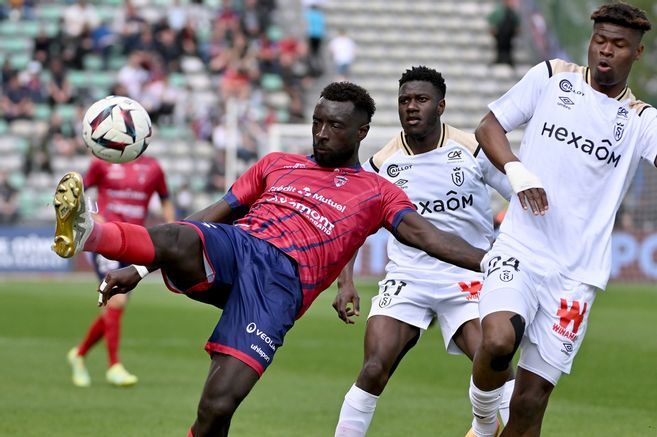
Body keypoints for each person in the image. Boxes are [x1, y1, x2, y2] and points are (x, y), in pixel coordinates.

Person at [52, 82, 486, 436]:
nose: (320, 133)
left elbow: (427, 237)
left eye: (333, 126)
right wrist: (140, 264)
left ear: (361, 132)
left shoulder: (377, 191)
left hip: (280, 287)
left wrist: (495, 263)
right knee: (183, 236)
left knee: (217, 407)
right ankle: (92, 232)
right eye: (317, 123)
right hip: (239, 247)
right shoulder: (277, 163)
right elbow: (210, 217)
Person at [467, 3, 655, 436]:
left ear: (637, 53)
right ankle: (480, 425)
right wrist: (516, 169)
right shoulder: (552, 77)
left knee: (530, 403)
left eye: (619, 45)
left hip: (576, 277)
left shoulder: (642, 120)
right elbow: (488, 128)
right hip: (520, 248)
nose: (605, 51)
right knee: (497, 339)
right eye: (600, 40)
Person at [333, 66, 515, 437]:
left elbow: (521, 197)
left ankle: (484, 427)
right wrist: (345, 281)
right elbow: (354, 224)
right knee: (373, 368)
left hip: (468, 275)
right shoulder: (383, 164)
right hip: (408, 277)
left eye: (421, 100)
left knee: (494, 359)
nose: (411, 107)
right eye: (404, 101)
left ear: (441, 106)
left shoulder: (471, 149)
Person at [66, 154, 175, 388]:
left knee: (115, 307)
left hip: (136, 242)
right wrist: (92, 216)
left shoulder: (154, 168)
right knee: (117, 302)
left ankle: (79, 354)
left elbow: (165, 199)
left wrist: (173, 229)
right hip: (107, 239)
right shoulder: (101, 163)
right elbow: (77, 192)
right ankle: (114, 366)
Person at [488, 0, 520, 66]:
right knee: (499, 46)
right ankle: (499, 58)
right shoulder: (499, 12)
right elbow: (492, 21)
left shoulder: (513, 13)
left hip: (509, 35)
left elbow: (517, 25)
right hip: (500, 34)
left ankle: (508, 59)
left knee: (508, 47)